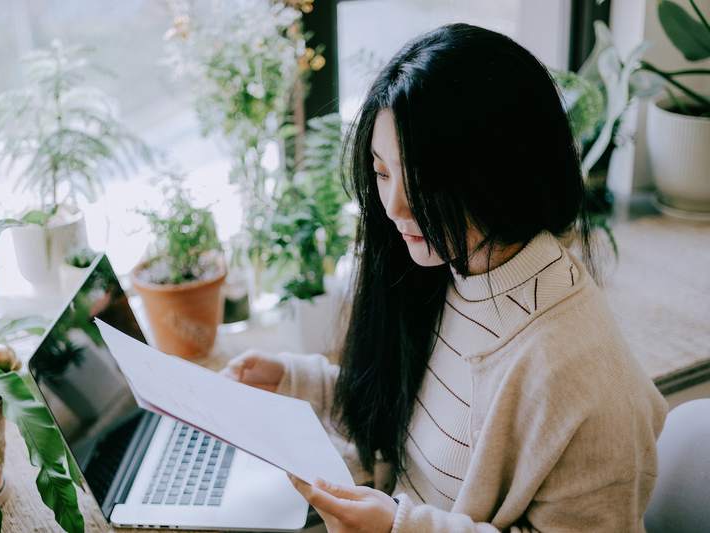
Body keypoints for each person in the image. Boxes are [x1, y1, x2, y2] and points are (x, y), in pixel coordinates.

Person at [222, 23, 667, 532]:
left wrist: (399, 528)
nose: (393, 206)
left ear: (504, 172)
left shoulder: (584, 380)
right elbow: (416, 421)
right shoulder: (451, 269)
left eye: (423, 179)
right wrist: (297, 380)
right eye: (382, 171)